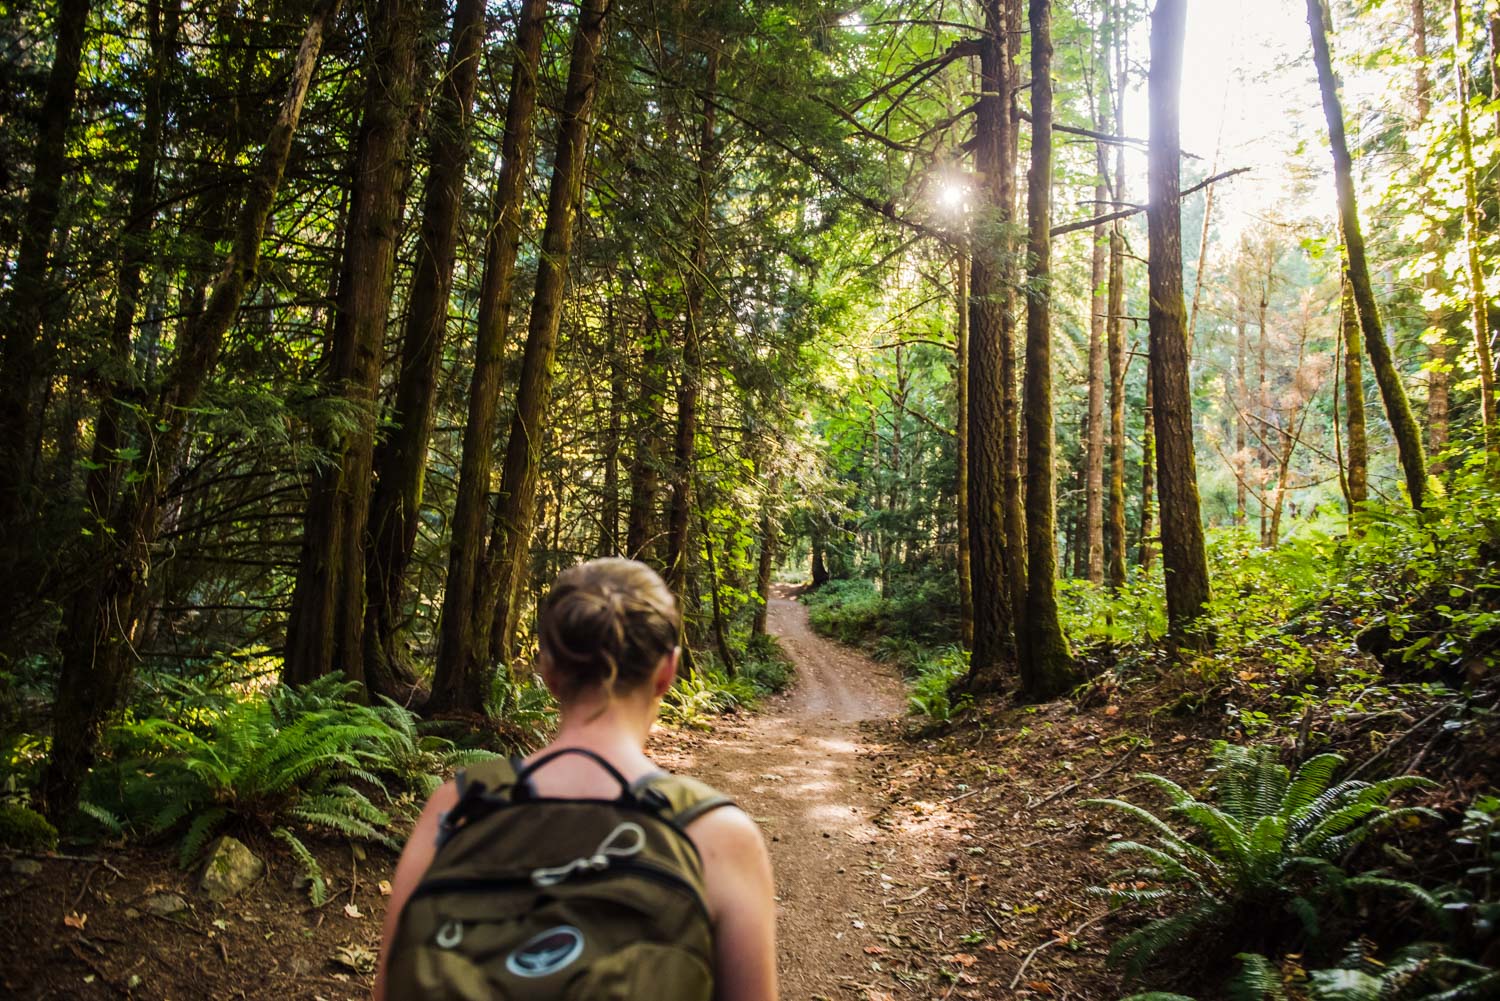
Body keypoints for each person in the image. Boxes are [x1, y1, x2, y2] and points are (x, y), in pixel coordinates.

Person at [375, 558, 777, 1001]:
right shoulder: (716, 834)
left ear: (547, 669)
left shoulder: (458, 806)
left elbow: (390, 987)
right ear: (667, 671)